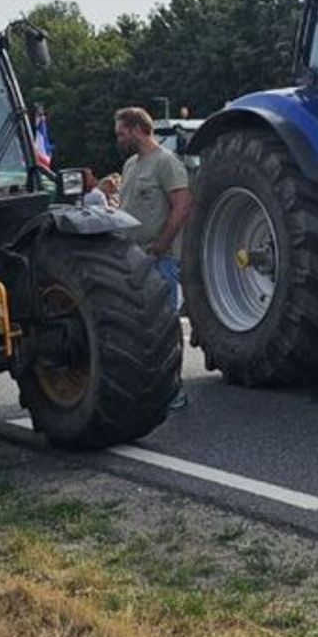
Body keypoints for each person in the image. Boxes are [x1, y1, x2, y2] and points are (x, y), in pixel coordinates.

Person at [114, 106, 191, 409]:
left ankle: (174, 389)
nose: (119, 140)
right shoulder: (131, 165)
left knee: (166, 327)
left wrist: (161, 245)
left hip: (160, 260)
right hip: (131, 260)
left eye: (122, 133)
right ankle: (146, 388)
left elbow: (182, 206)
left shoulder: (166, 163)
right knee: (137, 329)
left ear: (136, 129)